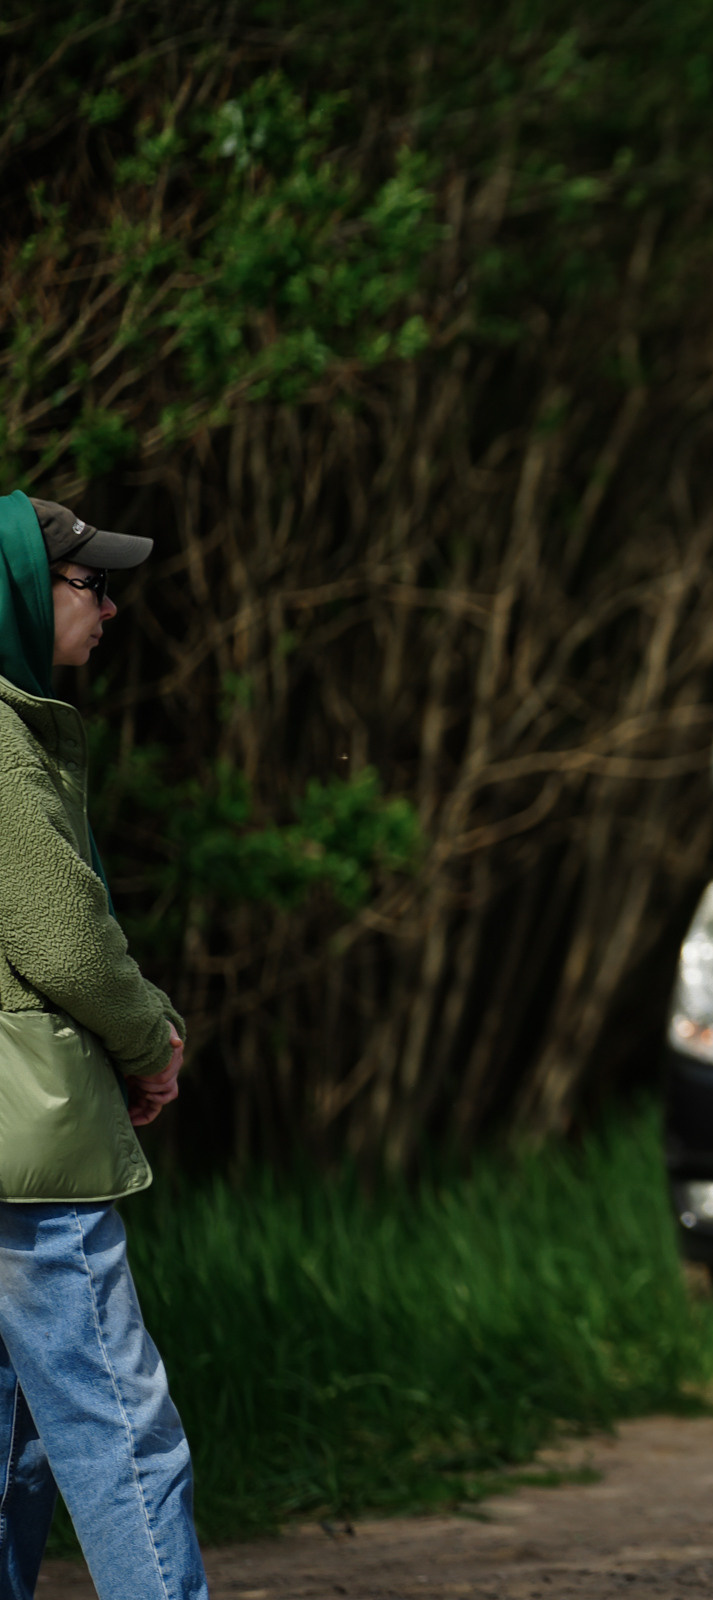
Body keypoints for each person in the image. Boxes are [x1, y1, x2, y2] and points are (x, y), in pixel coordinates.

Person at [0, 491, 207, 1600]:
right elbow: (66, 939)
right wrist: (151, 1040)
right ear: (27, 595)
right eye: (93, 585)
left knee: (14, 1451)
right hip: (28, 1152)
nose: (113, 607)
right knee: (121, 1430)